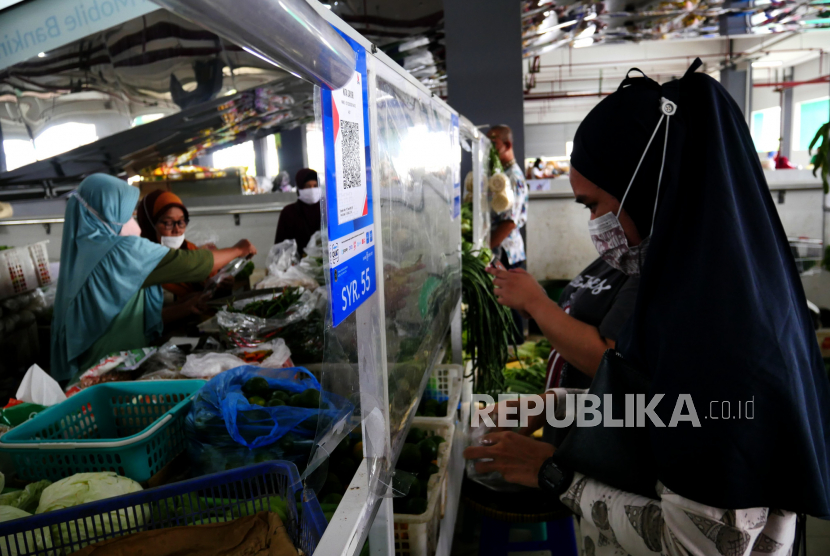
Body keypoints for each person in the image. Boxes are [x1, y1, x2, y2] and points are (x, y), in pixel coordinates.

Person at [465, 61, 830, 554]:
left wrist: (552, 475)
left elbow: (698, 544)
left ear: (646, 187)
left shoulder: (723, 338)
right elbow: (670, 407)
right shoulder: (693, 295)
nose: (595, 226)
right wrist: (551, 404)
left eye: (592, 205)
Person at [51, 174, 257, 382]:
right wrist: (238, 249)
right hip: (109, 370)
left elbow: (129, 309)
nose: (133, 223)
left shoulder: (86, 252)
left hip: (100, 368)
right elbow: (192, 264)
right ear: (107, 212)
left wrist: (187, 303)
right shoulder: (119, 251)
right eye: (126, 214)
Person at [136, 189, 239, 323]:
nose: (177, 229)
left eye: (182, 222)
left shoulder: (190, 250)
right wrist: (185, 308)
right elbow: (141, 319)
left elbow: (211, 297)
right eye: (168, 223)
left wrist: (223, 286)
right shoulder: (141, 262)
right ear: (149, 223)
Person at [487, 125, 529, 343]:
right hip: (502, 250)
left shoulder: (512, 178)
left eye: (493, 143)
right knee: (505, 305)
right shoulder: (501, 176)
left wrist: (485, 247)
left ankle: (516, 350)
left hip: (507, 253)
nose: (488, 148)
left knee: (511, 306)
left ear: (507, 145)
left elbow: (510, 222)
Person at [275, 168, 321, 256]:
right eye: (307, 186)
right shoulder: (288, 213)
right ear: (299, 188)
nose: (312, 190)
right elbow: (280, 246)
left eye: (315, 186)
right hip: (295, 266)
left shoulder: (326, 211)